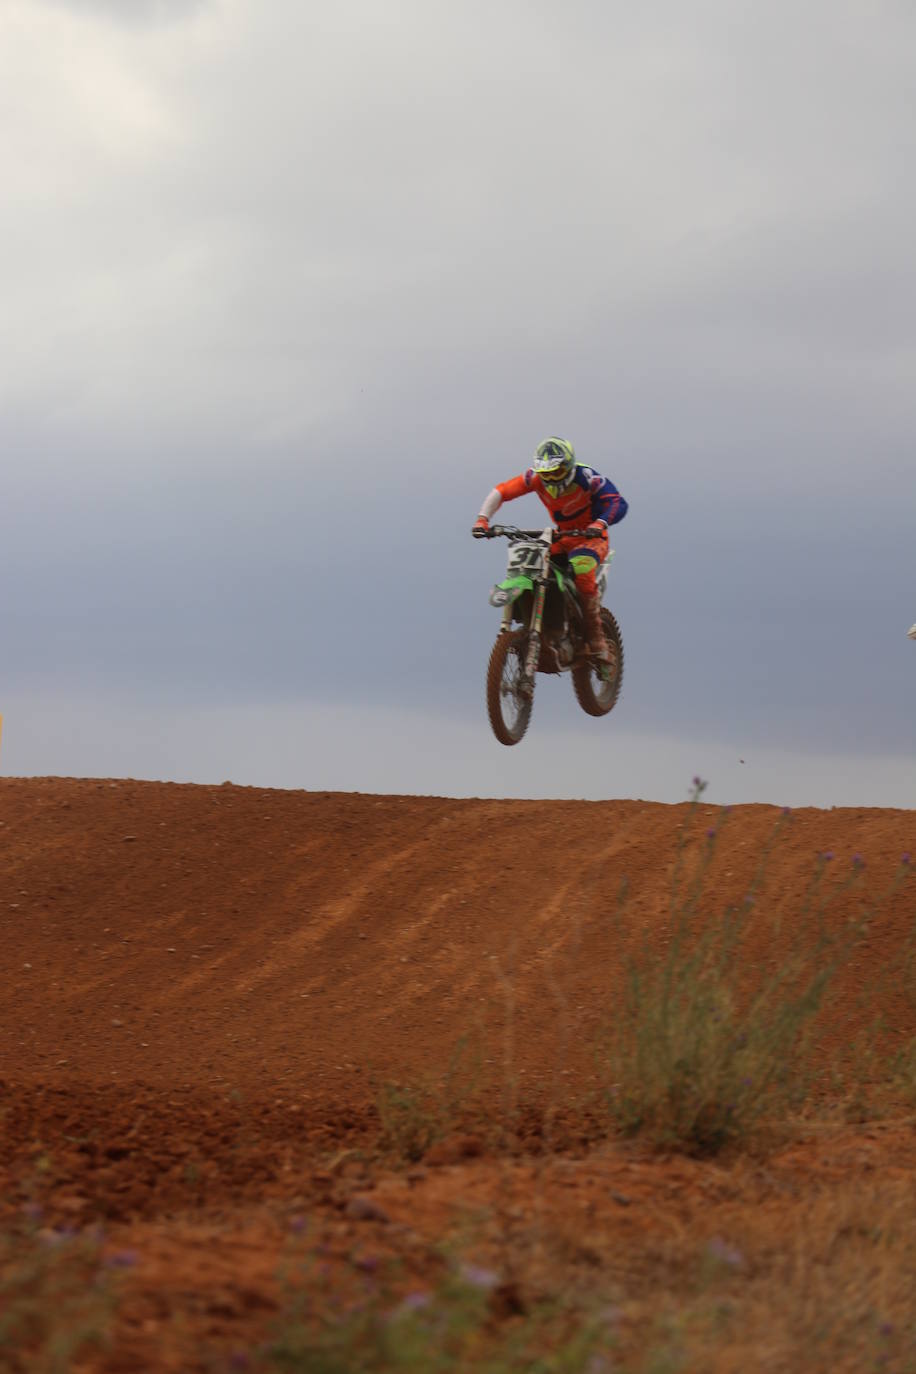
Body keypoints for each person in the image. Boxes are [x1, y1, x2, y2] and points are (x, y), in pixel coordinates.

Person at [472, 436, 628, 663]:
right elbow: (502, 491)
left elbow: (617, 502)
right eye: (545, 474)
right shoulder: (534, 479)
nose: (550, 479)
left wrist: (600, 523)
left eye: (556, 472)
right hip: (562, 537)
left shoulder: (588, 478)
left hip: (592, 537)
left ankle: (596, 637)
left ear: (568, 467)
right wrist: (482, 520)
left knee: (583, 571)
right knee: (531, 567)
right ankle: (545, 626)